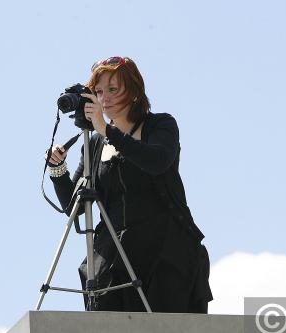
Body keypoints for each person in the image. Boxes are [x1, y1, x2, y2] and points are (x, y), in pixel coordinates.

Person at [47, 56, 212, 313]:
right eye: (99, 92)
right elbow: (75, 207)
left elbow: (156, 161)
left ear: (134, 91)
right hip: (114, 256)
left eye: (113, 89)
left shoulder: (160, 125)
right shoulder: (93, 144)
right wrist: (58, 170)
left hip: (164, 251)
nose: (105, 98)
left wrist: (107, 130)